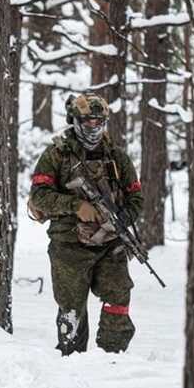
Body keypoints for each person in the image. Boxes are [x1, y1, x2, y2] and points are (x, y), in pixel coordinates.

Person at [28, 94, 144, 355]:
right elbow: (39, 195)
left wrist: (121, 219)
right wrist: (76, 206)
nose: (93, 128)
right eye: (87, 122)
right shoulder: (56, 155)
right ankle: (72, 360)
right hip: (68, 244)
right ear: (75, 121)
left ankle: (112, 357)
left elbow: (136, 198)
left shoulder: (118, 158)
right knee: (71, 308)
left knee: (119, 294)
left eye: (98, 122)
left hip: (110, 243)